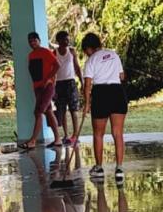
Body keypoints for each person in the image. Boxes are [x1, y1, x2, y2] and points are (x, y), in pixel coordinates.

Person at [81, 33, 127, 182]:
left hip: (101, 94)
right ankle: (119, 168)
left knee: (98, 134)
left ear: (88, 48)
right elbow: (122, 77)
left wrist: (87, 104)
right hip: (117, 92)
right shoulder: (114, 55)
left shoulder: (90, 61)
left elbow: (87, 85)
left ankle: (99, 168)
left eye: (85, 50)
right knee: (118, 133)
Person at [21, 32, 61, 149]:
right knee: (48, 111)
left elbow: (57, 65)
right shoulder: (31, 55)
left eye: (34, 40)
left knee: (38, 112)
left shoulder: (46, 52)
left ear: (39, 40)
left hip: (47, 87)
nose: (32, 43)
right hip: (37, 88)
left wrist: (49, 79)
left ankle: (32, 141)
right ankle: (58, 139)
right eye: (30, 41)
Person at [53, 31, 83, 145]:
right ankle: (66, 135)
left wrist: (82, 81)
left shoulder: (72, 52)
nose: (67, 41)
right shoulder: (54, 53)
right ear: (59, 41)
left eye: (68, 39)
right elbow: (53, 72)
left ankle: (75, 135)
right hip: (59, 84)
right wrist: (53, 87)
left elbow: (77, 67)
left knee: (74, 110)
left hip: (70, 83)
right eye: (64, 39)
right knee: (62, 110)